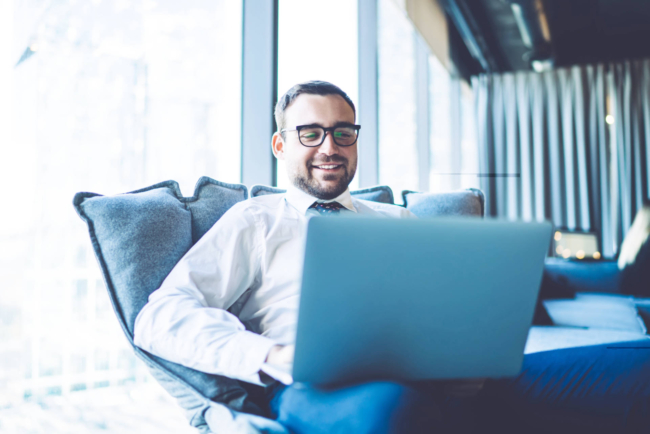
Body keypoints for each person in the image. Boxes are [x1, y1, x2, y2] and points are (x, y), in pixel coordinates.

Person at [133, 80, 484, 433]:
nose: (329, 147)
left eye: (343, 132)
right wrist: (271, 355)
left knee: (542, 376)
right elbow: (160, 316)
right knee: (394, 408)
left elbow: (440, 312)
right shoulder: (256, 220)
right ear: (280, 145)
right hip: (315, 391)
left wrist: (461, 359)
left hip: (425, 378)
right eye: (310, 134)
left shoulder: (398, 221)